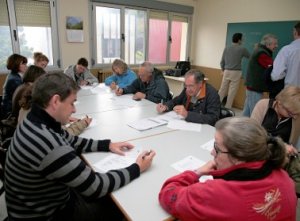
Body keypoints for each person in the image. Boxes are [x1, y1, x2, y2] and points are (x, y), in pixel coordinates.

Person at [4, 72, 156, 220]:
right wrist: (137, 168)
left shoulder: (36, 121)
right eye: (71, 103)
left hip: (35, 204)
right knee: (118, 206)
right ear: (55, 101)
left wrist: (107, 145)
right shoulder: (49, 144)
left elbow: (71, 140)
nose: (74, 110)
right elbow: (96, 186)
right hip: (50, 214)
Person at [159, 117, 297, 221]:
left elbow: (167, 194)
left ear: (239, 157)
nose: (212, 153)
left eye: (217, 148)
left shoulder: (214, 194)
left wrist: (197, 173)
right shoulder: (285, 179)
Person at [243, 34, 278, 117]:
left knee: (247, 112)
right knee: (254, 113)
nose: (277, 46)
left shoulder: (260, 50)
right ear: (268, 44)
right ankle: (251, 129)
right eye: (275, 44)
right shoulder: (262, 53)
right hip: (255, 88)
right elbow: (273, 68)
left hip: (252, 87)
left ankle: (240, 128)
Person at [219, 33, 250, 108]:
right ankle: (227, 108)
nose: (243, 40)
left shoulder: (226, 48)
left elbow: (222, 61)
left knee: (222, 89)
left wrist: (223, 70)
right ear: (239, 40)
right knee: (232, 92)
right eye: (242, 39)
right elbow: (250, 56)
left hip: (226, 71)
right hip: (236, 72)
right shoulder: (242, 49)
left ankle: (215, 105)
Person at [271, 21, 300, 87]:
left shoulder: (287, 50)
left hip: (292, 93)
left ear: (295, 32)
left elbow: (276, 75)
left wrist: (286, 72)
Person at [1, 54, 28, 119]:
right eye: (23, 64)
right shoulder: (14, 79)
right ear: (15, 65)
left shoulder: (14, 75)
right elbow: (23, 97)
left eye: (25, 64)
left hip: (10, 107)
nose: (26, 66)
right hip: (10, 112)